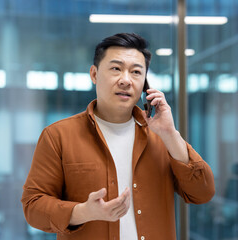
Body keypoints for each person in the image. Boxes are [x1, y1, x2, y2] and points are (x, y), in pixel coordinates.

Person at [21, 32, 215, 240]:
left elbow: (202, 192)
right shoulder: (58, 135)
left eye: (136, 72)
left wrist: (170, 135)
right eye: (116, 69)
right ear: (94, 74)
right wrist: (84, 212)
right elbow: (33, 206)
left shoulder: (162, 135)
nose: (126, 80)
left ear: (145, 84)